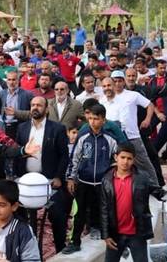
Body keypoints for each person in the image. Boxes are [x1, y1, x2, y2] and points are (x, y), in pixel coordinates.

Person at [13, 96, 70, 253]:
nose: (35, 108)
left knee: (58, 214)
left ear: (46, 109)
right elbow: (17, 152)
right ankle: (24, 250)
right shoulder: (22, 128)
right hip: (25, 180)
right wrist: (15, 176)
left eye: (39, 105)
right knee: (18, 214)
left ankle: (60, 248)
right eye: (33, 105)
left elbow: (64, 156)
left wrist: (58, 177)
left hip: (50, 180)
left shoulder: (57, 129)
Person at [63, 103, 118, 254]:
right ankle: (75, 242)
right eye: (91, 118)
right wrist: (71, 178)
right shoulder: (83, 137)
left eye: (96, 119)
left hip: (102, 183)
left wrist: (111, 176)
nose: (93, 122)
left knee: (107, 211)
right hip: (83, 181)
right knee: (79, 213)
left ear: (103, 120)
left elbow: (117, 160)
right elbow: (75, 158)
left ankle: (114, 240)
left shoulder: (110, 139)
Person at [100, 142, 167, 262]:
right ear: (116, 157)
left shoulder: (142, 178)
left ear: (134, 160)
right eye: (122, 157)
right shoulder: (107, 180)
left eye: (129, 158)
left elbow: (158, 191)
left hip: (137, 233)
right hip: (115, 234)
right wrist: (106, 235)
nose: (125, 161)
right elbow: (104, 209)